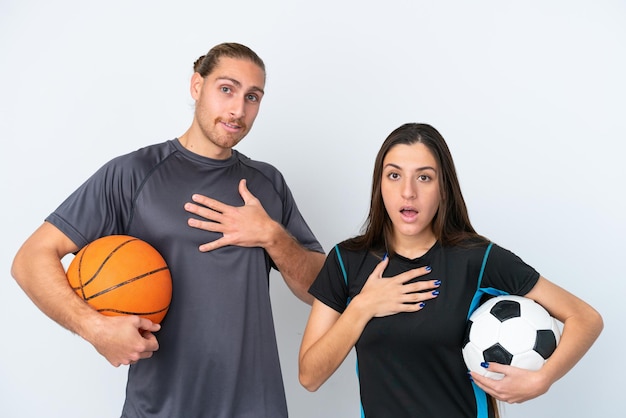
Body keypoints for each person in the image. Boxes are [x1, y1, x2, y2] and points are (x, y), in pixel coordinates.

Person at [11, 42, 325, 418]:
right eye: (226, 89)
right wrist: (94, 329)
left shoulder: (267, 183)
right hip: (161, 408)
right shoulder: (133, 173)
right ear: (197, 86)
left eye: (252, 97)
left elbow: (320, 291)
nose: (238, 109)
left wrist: (273, 237)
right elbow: (30, 259)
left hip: (255, 407)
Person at [298, 123, 603, 418]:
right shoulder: (347, 260)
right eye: (394, 176)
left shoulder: (478, 259)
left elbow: (585, 318)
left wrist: (543, 379)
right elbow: (309, 376)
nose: (408, 192)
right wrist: (363, 306)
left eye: (424, 178)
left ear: (444, 188)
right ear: (379, 185)